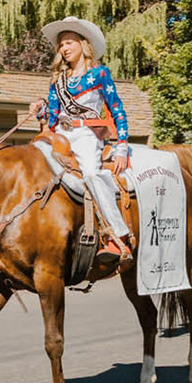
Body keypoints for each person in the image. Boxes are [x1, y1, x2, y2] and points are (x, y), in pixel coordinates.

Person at [29, 16, 134, 269]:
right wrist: (41, 111)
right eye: (61, 44)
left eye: (69, 42)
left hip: (87, 135)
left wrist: (121, 146)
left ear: (82, 45)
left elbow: (117, 110)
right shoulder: (58, 81)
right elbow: (52, 118)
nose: (64, 48)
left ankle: (117, 237)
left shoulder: (99, 74)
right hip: (61, 136)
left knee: (91, 174)